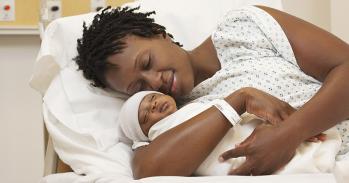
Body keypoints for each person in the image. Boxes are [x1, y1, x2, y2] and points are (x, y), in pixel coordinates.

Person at [74, 5, 349, 178]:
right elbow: (148, 171)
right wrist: (238, 100)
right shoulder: (169, 117)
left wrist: (289, 134)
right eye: (139, 87)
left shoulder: (243, 28)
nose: (153, 82)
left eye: (147, 63)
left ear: (160, 33)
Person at [118, 90, 335, 175]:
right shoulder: (157, 138)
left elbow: (242, 120)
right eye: (145, 116)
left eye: (152, 98)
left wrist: (280, 128)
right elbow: (147, 166)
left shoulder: (200, 106)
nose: (153, 106)